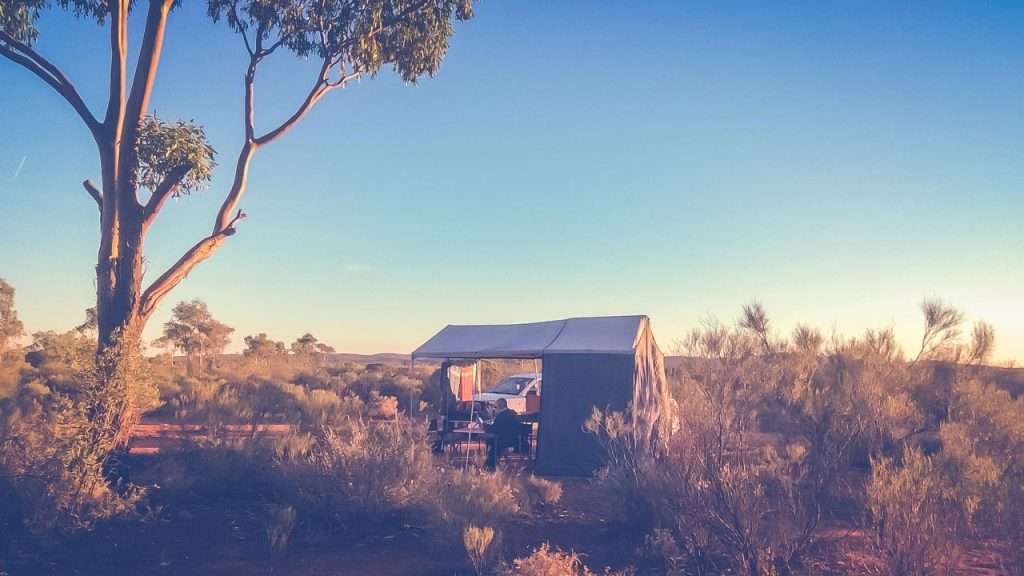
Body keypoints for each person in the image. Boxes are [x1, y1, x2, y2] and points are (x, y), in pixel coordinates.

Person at [485, 398, 521, 470]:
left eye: (495, 407)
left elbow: (494, 429)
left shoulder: (501, 416)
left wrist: (485, 425)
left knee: (490, 441)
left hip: (503, 441)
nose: (495, 409)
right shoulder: (512, 413)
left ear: (500, 406)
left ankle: (490, 465)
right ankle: (492, 461)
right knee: (493, 441)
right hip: (515, 440)